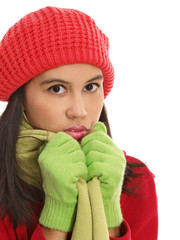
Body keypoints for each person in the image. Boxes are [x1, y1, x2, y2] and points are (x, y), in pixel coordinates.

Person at [0, 6, 158, 240]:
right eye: (57, 89)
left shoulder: (135, 180)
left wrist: (110, 215)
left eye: (90, 87)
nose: (79, 111)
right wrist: (57, 217)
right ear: (21, 98)